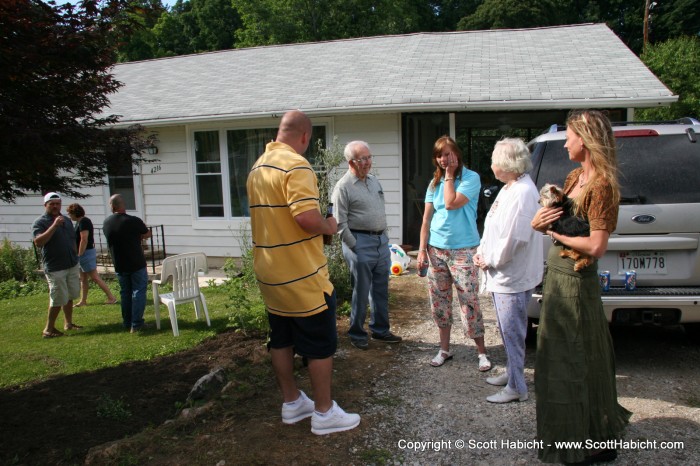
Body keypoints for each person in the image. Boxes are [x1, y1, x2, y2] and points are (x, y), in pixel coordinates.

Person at [246, 110, 360, 435]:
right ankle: (324, 414)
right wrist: (330, 224)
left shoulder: (258, 168)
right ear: (305, 137)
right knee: (320, 344)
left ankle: (293, 403)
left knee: (281, 339)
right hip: (302, 277)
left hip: (269, 274)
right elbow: (306, 218)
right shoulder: (296, 164)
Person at [530, 110, 631, 464]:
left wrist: (554, 233)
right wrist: (541, 221)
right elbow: (560, 220)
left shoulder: (601, 184)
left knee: (578, 359)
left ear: (585, 140)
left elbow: (597, 246)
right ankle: (571, 434)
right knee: (559, 360)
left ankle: (588, 441)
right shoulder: (574, 178)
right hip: (558, 278)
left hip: (577, 283)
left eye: (570, 135)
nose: (566, 142)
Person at [474, 138, 543, 403]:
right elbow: (494, 225)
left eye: (493, 159)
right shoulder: (511, 186)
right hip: (503, 274)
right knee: (507, 329)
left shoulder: (523, 192)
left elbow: (515, 238)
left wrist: (489, 260)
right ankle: (513, 373)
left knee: (513, 332)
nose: (491, 164)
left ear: (506, 163)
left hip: (511, 276)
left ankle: (517, 388)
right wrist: (483, 251)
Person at [417, 136, 491, 371]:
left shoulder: (471, 178)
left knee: (469, 300)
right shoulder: (433, 183)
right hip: (436, 250)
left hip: (464, 250)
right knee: (439, 301)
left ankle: (481, 352)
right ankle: (444, 349)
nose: (444, 159)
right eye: (440, 155)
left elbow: (450, 203)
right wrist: (421, 250)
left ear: (457, 155)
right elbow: (426, 219)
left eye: (449, 154)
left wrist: (448, 176)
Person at [331, 140, 402, 350]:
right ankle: (357, 333)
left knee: (380, 289)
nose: (368, 162)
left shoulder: (373, 181)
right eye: (363, 159)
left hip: (380, 242)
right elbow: (339, 223)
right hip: (359, 243)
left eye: (369, 157)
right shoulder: (343, 187)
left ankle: (380, 330)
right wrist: (355, 246)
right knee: (361, 291)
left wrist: (384, 238)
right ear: (351, 162)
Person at [32, 192, 82, 338]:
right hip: (55, 267)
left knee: (70, 295)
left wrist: (75, 255)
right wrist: (54, 225)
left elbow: (72, 239)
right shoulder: (40, 222)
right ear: (45, 205)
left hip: (71, 264)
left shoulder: (66, 220)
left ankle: (68, 323)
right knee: (58, 298)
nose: (55, 206)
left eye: (57, 203)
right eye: (51, 204)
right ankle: (48, 329)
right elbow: (39, 242)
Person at [102, 194, 152, 333]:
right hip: (136, 263)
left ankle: (127, 322)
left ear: (112, 206)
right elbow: (147, 233)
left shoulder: (107, 223)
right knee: (138, 292)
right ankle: (136, 324)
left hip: (119, 263)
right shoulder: (133, 221)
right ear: (123, 204)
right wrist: (140, 236)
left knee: (125, 293)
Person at [66, 203, 117, 307]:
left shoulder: (84, 221)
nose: (69, 216)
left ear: (75, 213)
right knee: (83, 278)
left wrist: (79, 254)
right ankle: (83, 301)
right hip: (82, 253)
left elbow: (84, 239)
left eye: (69, 213)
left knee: (94, 277)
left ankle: (111, 297)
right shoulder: (79, 222)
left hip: (86, 253)